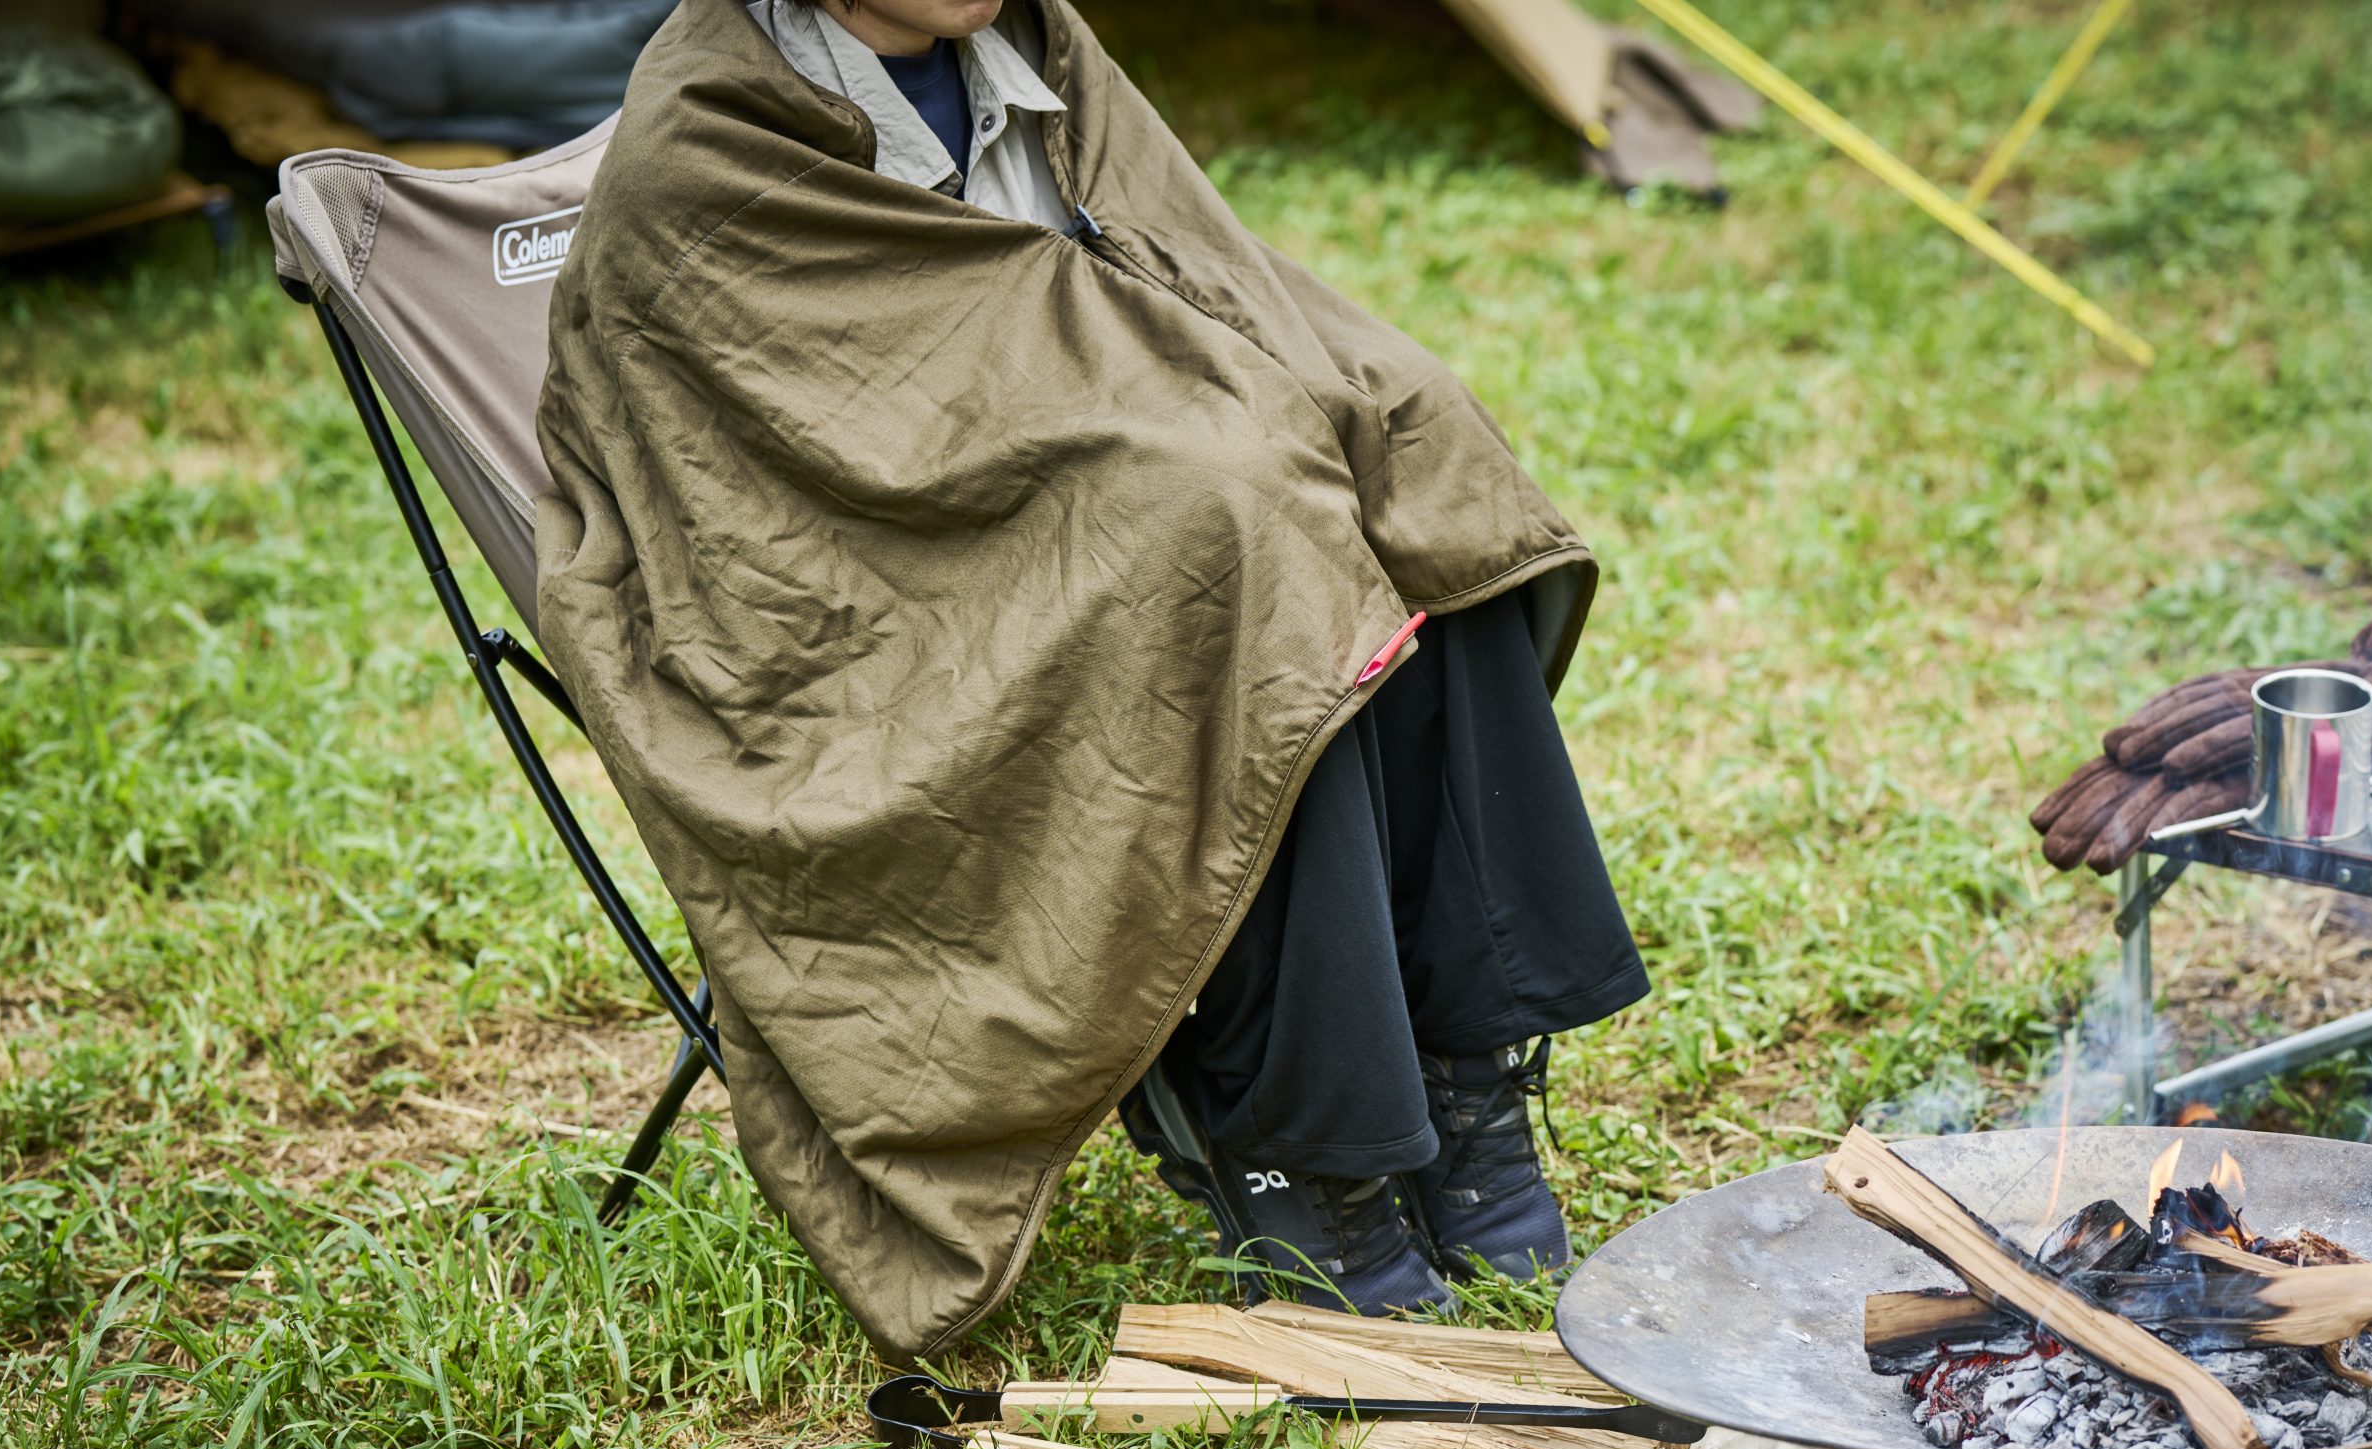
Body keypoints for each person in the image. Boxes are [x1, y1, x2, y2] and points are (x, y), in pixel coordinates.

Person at [535, 0, 1643, 1354]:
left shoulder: (1043, 52)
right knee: (1234, 544)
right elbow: (760, 490)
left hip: (1093, 503)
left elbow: (1191, 275)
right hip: (878, 602)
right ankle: (1307, 1154)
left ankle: (1461, 1074)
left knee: (1408, 445)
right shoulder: (708, 148)